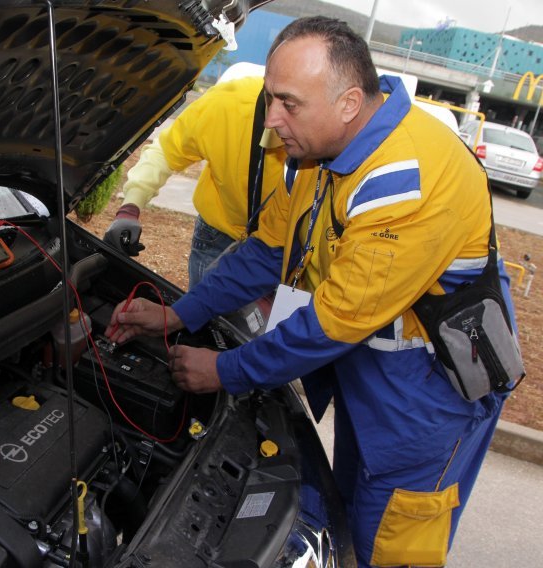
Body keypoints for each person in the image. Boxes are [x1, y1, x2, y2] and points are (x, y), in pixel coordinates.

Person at [106, 16, 521, 568]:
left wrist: (222, 371)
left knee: (393, 546)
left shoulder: (408, 178)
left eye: (289, 104)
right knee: (350, 520)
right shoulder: (326, 156)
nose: (272, 119)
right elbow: (264, 251)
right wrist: (176, 315)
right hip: (374, 387)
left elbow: (333, 321)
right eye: (270, 99)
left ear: (349, 102)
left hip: (426, 405)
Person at [102, 75, 294, 289]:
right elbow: (166, 152)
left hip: (292, 252)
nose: (273, 121)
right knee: (206, 317)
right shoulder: (227, 103)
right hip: (220, 237)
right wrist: (130, 206)